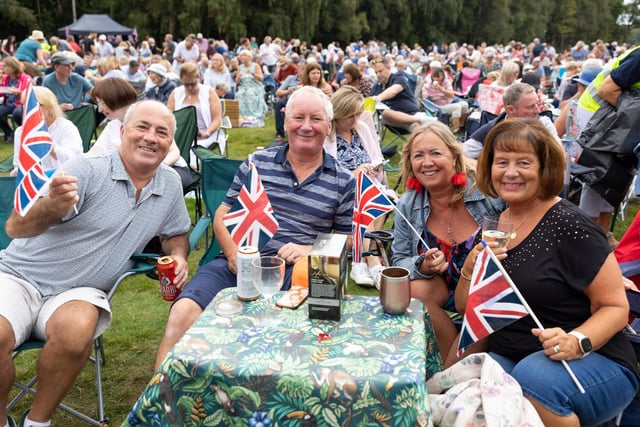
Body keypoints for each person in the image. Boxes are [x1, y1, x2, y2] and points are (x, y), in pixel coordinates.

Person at [0, 100, 191, 427]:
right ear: (121, 131)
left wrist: (178, 255)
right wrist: (51, 208)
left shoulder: (170, 183)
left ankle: (37, 422)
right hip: (19, 277)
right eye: (141, 127)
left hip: (81, 290)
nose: (150, 138)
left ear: (169, 143)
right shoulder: (87, 168)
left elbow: (176, 232)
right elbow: (16, 227)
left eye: (162, 132)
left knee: (76, 333)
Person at [154, 86, 356, 369]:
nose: (306, 127)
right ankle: (161, 404)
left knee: (297, 337)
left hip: (298, 273)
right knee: (182, 313)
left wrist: (309, 249)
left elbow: (347, 240)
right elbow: (222, 215)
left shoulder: (343, 180)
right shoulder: (257, 163)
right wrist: (234, 254)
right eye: (299, 118)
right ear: (285, 123)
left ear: (329, 126)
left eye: (316, 119)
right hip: (241, 260)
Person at [456, 118, 638, 426]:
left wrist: (577, 340)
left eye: (523, 162)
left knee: (533, 377)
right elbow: (465, 308)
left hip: (591, 359)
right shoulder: (495, 225)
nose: (510, 172)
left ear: (545, 169)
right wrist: (469, 270)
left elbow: (615, 307)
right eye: (502, 162)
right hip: (513, 355)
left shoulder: (570, 225)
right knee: (466, 384)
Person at [391, 121, 505, 365]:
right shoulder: (408, 205)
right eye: (418, 156)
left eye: (435, 153)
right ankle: (452, 365)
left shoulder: (488, 193)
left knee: (482, 302)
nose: (427, 162)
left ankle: (447, 374)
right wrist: (422, 266)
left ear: (454, 157)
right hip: (441, 288)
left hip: (482, 290)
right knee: (415, 290)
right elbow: (399, 260)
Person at [324, 86, 394, 287]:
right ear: (338, 114)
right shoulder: (328, 136)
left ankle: (360, 259)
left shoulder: (361, 129)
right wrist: (354, 174)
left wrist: (375, 168)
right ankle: (371, 259)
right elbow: (327, 174)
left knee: (376, 199)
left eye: (357, 114)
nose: (355, 119)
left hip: (369, 187)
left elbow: (376, 158)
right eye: (350, 116)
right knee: (365, 201)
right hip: (342, 191)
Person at [575, 46, 640, 248]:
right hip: (597, 113)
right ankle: (585, 240)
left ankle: (602, 236)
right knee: (597, 179)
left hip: (614, 114)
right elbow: (607, 90)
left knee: (615, 178)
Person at [463, 83, 560, 160]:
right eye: (530, 107)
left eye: (537, 104)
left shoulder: (543, 124)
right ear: (510, 110)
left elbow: (560, 155)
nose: (537, 111)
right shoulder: (493, 128)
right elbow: (463, 154)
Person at [10, 86, 83, 176]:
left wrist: (50, 146)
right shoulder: (20, 131)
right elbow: (17, 164)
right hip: (34, 181)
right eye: (24, 105)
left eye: (33, 105)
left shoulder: (66, 127)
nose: (27, 109)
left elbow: (74, 162)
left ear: (50, 107)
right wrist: (18, 171)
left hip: (62, 179)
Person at [167, 62, 223, 158]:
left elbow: (217, 119)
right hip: (181, 136)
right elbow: (168, 117)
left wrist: (206, 133)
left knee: (190, 151)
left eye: (193, 84)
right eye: (186, 84)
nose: (189, 87)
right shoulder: (175, 93)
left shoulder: (209, 92)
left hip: (206, 136)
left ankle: (190, 169)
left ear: (198, 78)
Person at [370, 57, 432, 131]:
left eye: (380, 71)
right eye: (376, 72)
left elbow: (395, 89)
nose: (378, 75)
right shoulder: (376, 87)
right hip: (393, 121)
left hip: (411, 114)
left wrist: (378, 98)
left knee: (416, 127)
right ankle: (422, 119)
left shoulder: (398, 77)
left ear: (389, 68)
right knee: (386, 114)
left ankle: (420, 127)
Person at [421, 67, 468, 134]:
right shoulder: (428, 85)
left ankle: (461, 126)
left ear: (443, 76)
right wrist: (424, 94)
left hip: (449, 102)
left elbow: (452, 95)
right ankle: (455, 130)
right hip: (438, 106)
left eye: (438, 77)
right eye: (435, 77)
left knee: (465, 105)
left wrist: (441, 89)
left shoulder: (446, 82)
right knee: (457, 107)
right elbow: (424, 96)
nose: (436, 78)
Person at [0, 57, 32, 141]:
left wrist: (19, 93)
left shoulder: (26, 78)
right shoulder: (5, 78)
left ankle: (24, 132)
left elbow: (28, 93)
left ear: (13, 67)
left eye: (6, 66)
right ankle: (9, 133)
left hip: (20, 103)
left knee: (17, 113)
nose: (3, 68)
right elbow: (2, 92)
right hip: (8, 103)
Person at [235, 49, 268, 121]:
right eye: (241, 56)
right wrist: (238, 77)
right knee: (239, 94)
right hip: (243, 87)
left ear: (249, 57)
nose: (242, 57)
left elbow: (261, 79)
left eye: (244, 55)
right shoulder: (240, 67)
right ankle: (242, 115)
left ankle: (251, 115)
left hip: (254, 87)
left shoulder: (255, 66)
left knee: (249, 94)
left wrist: (253, 74)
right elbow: (237, 82)